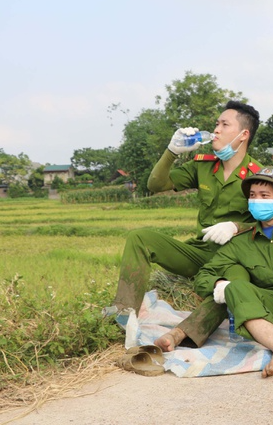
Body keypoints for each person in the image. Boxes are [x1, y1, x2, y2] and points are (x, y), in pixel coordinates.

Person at [155, 167, 273, 378]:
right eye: (252, 196)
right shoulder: (240, 242)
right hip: (270, 320)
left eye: (264, 196)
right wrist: (219, 285)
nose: (256, 200)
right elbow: (204, 274)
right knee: (236, 287)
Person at [103, 101, 262, 318]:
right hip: (199, 253)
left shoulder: (259, 176)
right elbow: (155, 185)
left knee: (232, 290)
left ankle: (185, 334)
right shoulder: (203, 165)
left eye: (224, 125)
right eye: (216, 124)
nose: (216, 130)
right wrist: (171, 152)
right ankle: (123, 312)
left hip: (235, 258)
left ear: (243, 134)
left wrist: (236, 226)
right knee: (139, 238)